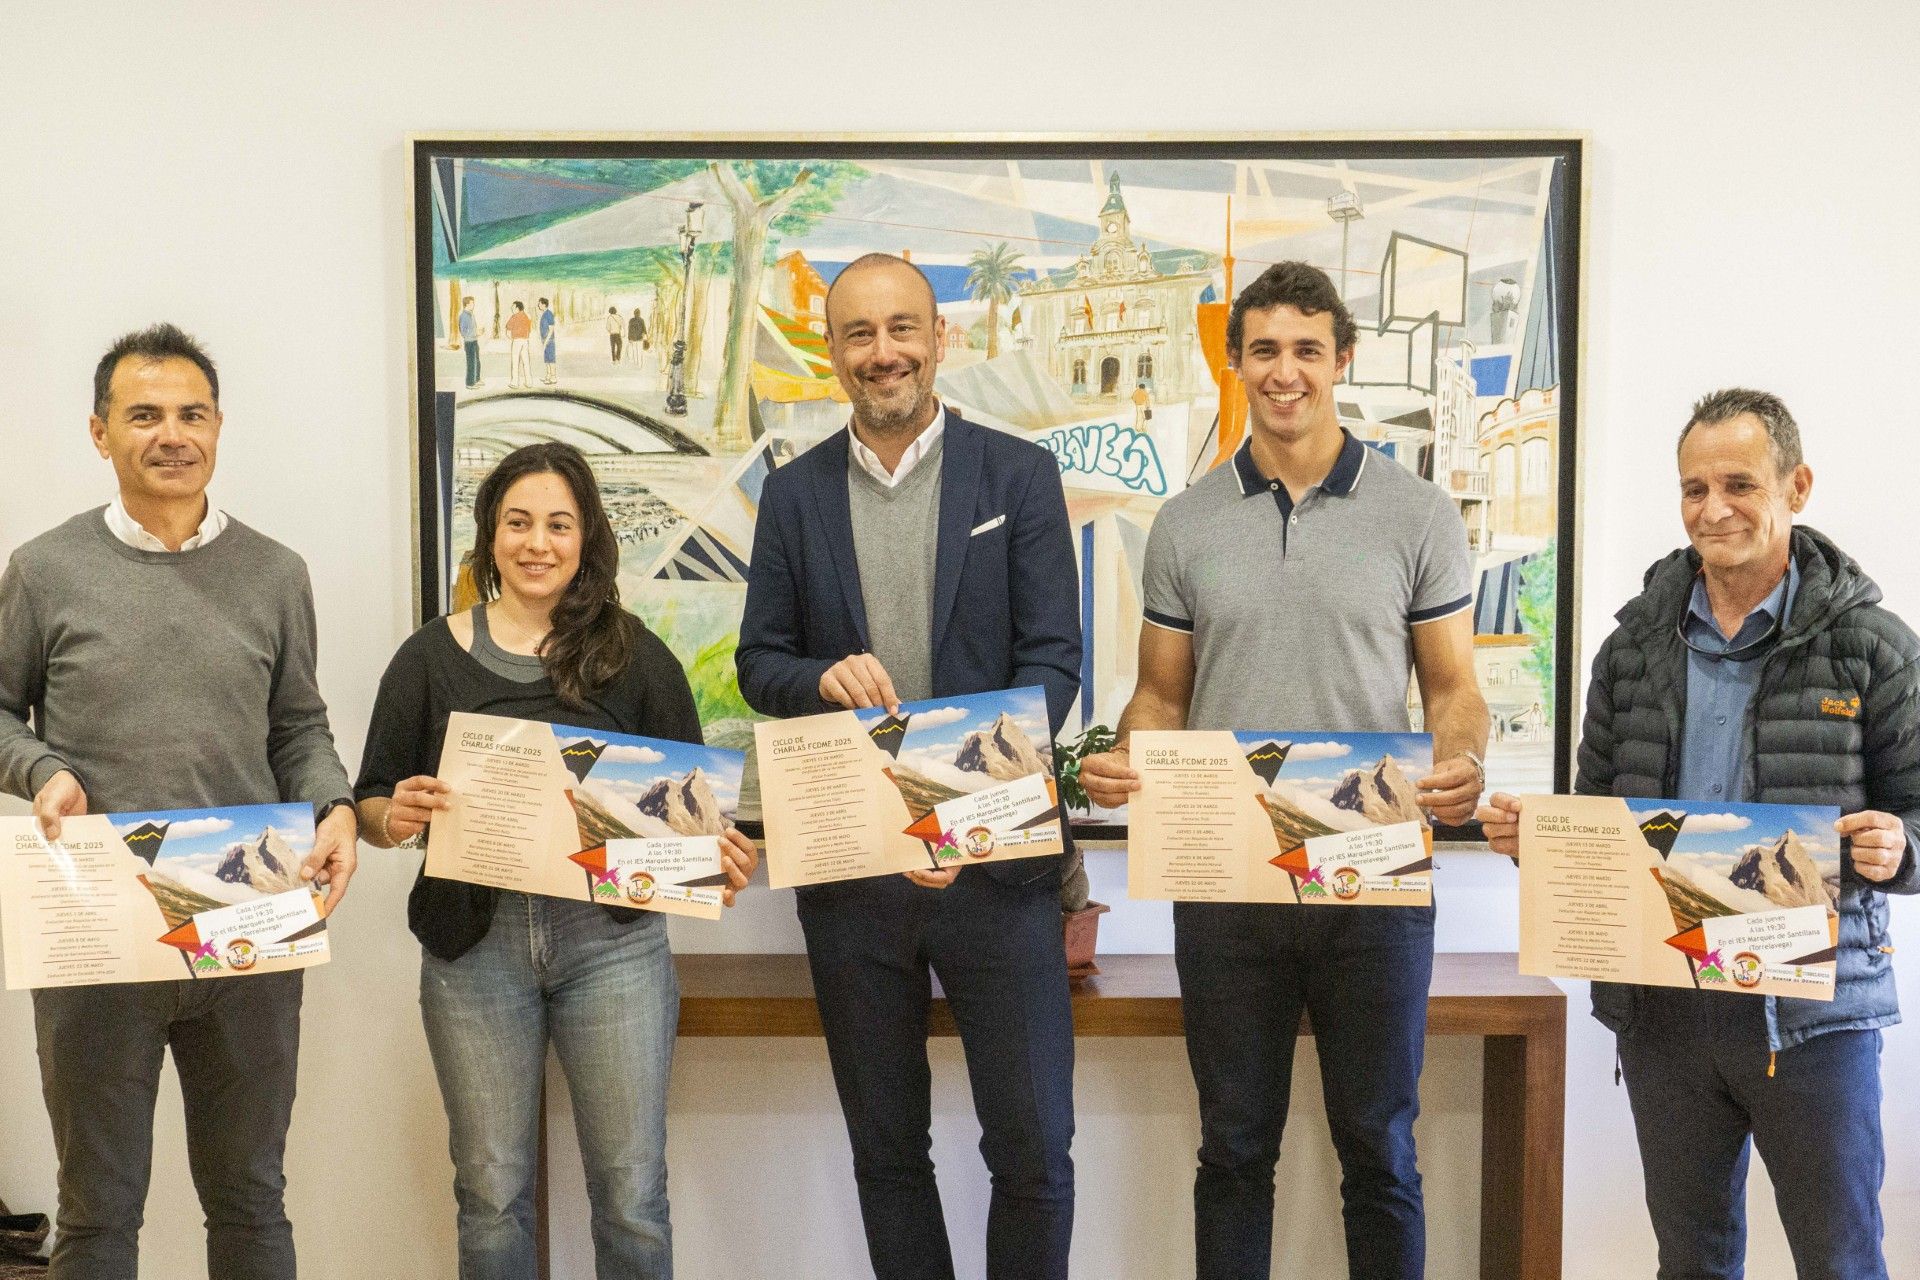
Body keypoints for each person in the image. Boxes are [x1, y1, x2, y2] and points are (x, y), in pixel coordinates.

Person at [1079, 261, 1489, 1280]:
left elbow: (1451, 686)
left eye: (1308, 348)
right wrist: (1128, 750)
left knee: (1381, 1150)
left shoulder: (1421, 513)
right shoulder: (1185, 523)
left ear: (1341, 359)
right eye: (1264, 349)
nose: (1286, 371)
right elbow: (1161, 695)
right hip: (1227, 878)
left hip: (1376, 873)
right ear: (1237, 363)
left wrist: (1465, 758)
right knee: (1234, 1151)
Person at [1478, 389, 1918, 1280]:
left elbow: (1919, 818)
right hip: (1666, 1012)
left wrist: (1902, 850)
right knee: (1691, 1260)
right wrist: (1541, 838)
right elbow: (1595, 811)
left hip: (1813, 1020)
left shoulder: (1873, 647)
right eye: (1692, 489)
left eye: (1739, 484)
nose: (1713, 509)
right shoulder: (1632, 647)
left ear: (1796, 485)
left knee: (1841, 1262)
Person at [737, 253, 1081, 1280]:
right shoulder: (793, 497)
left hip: (1000, 872)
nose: (881, 352)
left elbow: (1055, 660)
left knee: (1031, 1151)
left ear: (940, 338)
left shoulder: (1018, 478)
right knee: (887, 1153)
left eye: (901, 328)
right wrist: (816, 676)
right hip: (853, 875)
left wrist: (958, 813)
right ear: (831, 351)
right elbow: (760, 662)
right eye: (857, 333)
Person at [0, 323, 358, 1280]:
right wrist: (43, 770)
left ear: (219, 426)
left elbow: (298, 727)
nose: (172, 434)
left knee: (249, 1202)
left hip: (249, 916)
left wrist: (335, 807)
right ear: (98, 432)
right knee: (98, 1213)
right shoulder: (43, 570)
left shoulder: (277, 573)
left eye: (191, 414)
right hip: (94, 930)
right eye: (144, 414)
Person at [356, 440, 756, 1280]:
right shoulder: (428, 658)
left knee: (631, 1193)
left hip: (612, 949)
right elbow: (369, 803)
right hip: (474, 954)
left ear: (587, 538)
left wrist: (715, 856)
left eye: (559, 524)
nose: (538, 543)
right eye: (518, 523)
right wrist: (397, 815)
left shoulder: (638, 656)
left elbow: (694, 807)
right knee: (492, 1195)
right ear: (489, 534)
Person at [506, 301, 533, 389]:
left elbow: (508, 330)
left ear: (517, 308)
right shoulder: (527, 316)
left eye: (513, 307)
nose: (511, 309)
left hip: (517, 341)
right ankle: (529, 382)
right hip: (525, 341)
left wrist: (512, 338)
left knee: (515, 362)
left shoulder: (514, 317)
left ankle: (515, 383)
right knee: (526, 362)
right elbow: (530, 330)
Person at [460, 295, 483, 388]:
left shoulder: (471, 314)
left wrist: (478, 332)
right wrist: (475, 333)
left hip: (474, 340)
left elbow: (472, 329)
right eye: (472, 303)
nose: (473, 304)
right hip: (469, 342)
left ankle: (476, 379)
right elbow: (463, 332)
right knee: (471, 363)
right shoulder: (464, 316)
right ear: (467, 304)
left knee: (477, 361)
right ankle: (470, 383)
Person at [539, 297, 559, 386]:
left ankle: (553, 377)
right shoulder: (544, 314)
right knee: (547, 359)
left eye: (539, 303)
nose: (538, 305)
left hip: (549, 340)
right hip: (545, 340)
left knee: (551, 359)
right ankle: (548, 376)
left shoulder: (549, 314)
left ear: (544, 304)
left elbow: (551, 330)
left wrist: (546, 341)